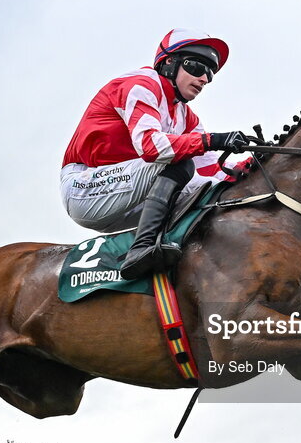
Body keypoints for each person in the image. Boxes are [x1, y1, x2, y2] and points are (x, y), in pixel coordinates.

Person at [60, 29, 250, 280]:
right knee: (178, 162)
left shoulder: (185, 115)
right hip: (85, 188)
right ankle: (142, 249)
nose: (204, 78)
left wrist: (255, 164)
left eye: (210, 74)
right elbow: (151, 146)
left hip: (128, 195)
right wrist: (212, 140)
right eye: (196, 67)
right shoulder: (142, 84)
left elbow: (213, 169)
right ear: (169, 63)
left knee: (212, 192)